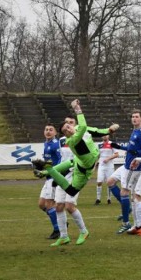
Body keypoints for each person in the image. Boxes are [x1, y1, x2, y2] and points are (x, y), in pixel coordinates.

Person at [34, 100, 98, 246]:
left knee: (69, 205)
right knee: (58, 206)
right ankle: (64, 236)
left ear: (74, 125)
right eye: (65, 128)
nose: (68, 128)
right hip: (67, 172)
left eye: (70, 125)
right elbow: (64, 161)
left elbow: (85, 130)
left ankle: (83, 231)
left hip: (77, 175)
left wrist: (78, 109)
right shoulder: (65, 140)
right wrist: (45, 170)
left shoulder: (80, 136)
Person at [107, 110, 141, 234]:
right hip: (125, 165)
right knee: (110, 181)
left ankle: (126, 223)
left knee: (125, 193)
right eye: (133, 117)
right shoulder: (134, 131)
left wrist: (136, 154)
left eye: (136, 117)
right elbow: (130, 148)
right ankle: (127, 207)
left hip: (132, 167)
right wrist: (118, 146)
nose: (134, 119)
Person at [37, 124, 61, 239]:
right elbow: (50, 161)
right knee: (41, 205)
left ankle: (57, 230)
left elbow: (60, 161)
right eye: (46, 129)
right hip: (48, 177)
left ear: (55, 132)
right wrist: (42, 167)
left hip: (53, 177)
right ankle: (60, 222)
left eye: (51, 130)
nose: (48, 131)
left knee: (49, 204)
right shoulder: (46, 144)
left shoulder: (56, 145)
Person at [94, 135, 119, 205]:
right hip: (101, 166)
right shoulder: (99, 145)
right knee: (99, 181)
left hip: (109, 166)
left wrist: (108, 159)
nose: (104, 136)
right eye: (103, 135)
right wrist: (94, 166)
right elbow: (97, 156)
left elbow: (116, 154)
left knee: (109, 182)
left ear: (108, 136)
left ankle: (109, 198)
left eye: (106, 135)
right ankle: (98, 199)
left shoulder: (112, 144)